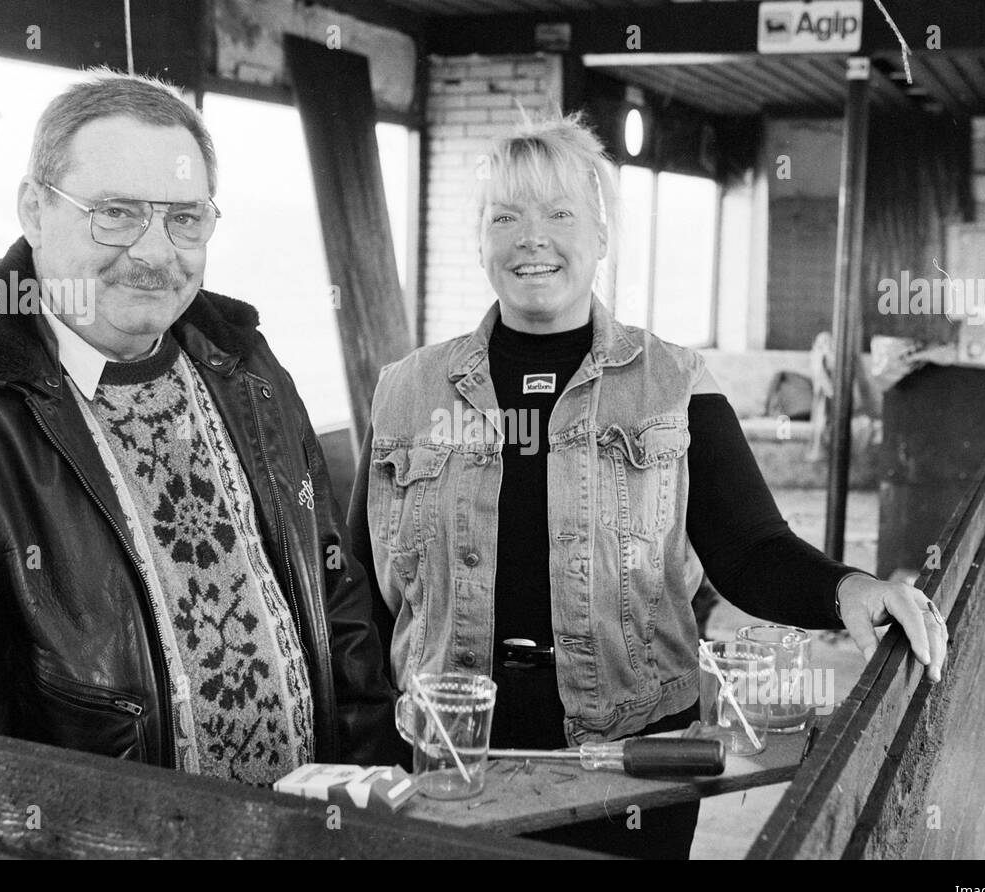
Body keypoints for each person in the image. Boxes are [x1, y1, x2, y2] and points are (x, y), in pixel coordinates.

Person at [0, 70, 395, 859]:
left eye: (183, 218)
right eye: (116, 214)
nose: (154, 252)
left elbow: (340, 613)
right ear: (34, 208)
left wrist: (376, 825)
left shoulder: (249, 369)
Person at [349, 112, 947, 759]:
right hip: (449, 747)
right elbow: (356, 589)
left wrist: (849, 588)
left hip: (637, 750)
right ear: (479, 239)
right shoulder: (407, 390)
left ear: (601, 234)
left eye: (559, 214)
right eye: (505, 217)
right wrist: (365, 746)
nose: (531, 239)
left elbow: (749, 549)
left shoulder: (673, 381)